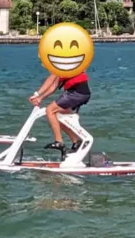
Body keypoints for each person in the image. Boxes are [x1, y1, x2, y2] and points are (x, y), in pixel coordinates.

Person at [32, 22, 95, 158]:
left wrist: (37, 94)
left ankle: (59, 142)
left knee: (50, 110)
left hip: (77, 93)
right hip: (79, 93)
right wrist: (41, 98)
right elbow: (54, 86)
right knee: (59, 116)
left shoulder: (63, 63)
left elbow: (50, 81)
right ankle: (76, 142)